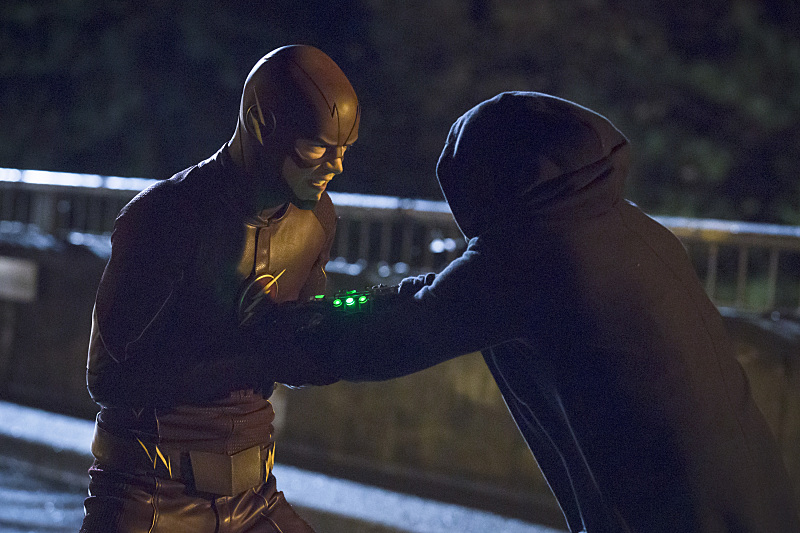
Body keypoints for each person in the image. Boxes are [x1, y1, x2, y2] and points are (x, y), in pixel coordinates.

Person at [276, 92, 800, 532]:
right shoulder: (621, 222)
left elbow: (395, 336)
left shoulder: (535, 253)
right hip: (753, 501)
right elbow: (439, 294)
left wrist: (272, 338)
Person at [80, 44, 359, 533]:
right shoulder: (168, 215)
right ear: (261, 123)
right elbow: (107, 380)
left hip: (256, 495)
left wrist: (332, 341)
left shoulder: (317, 218)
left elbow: (301, 343)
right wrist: (250, 353)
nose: (335, 165)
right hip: (150, 493)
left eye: (344, 149)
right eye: (317, 147)